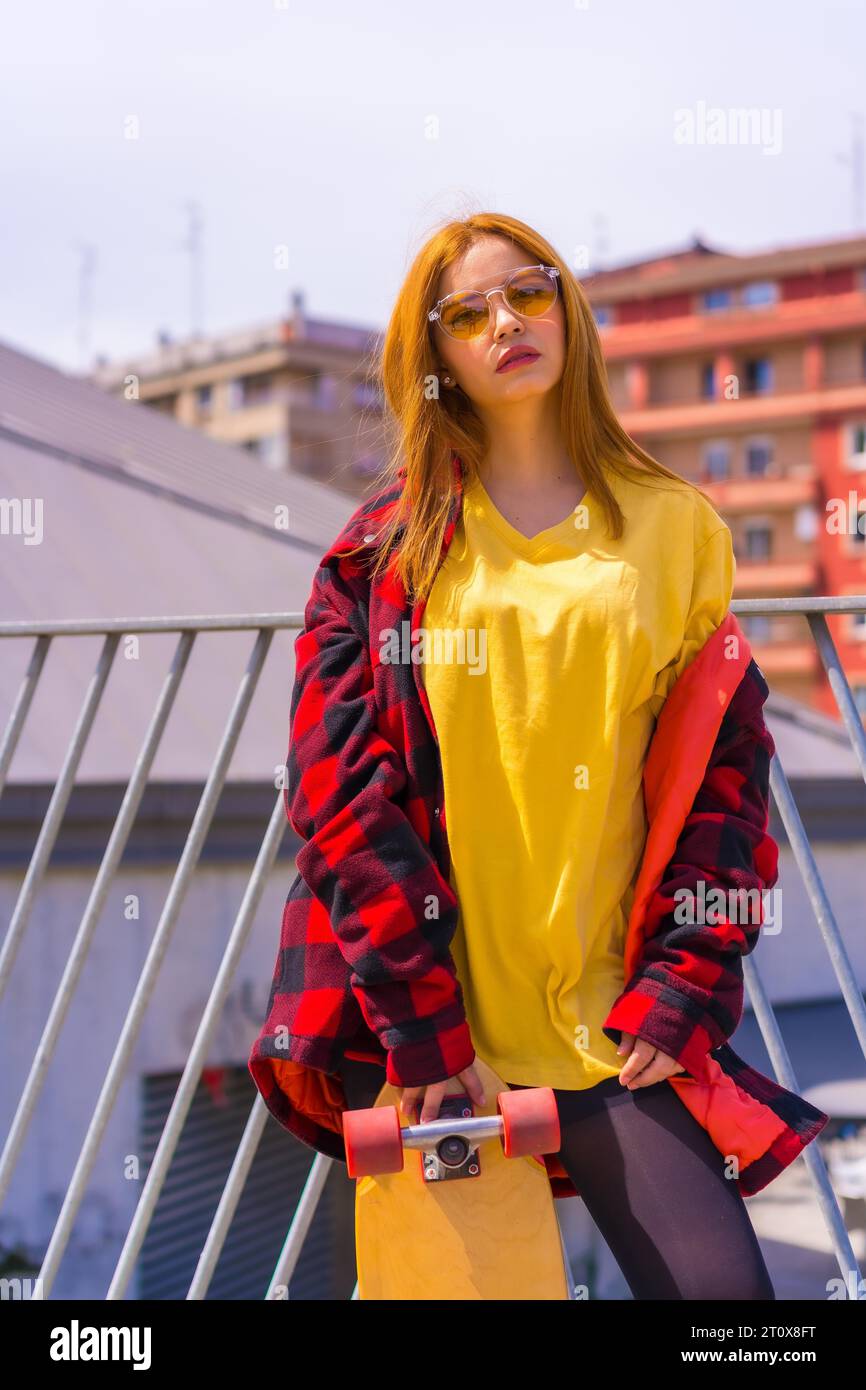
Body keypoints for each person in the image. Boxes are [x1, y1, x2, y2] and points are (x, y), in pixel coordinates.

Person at [248, 211, 829, 1301]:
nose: (503, 321)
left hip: (614, 1025)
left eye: (526, 291)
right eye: (464, 312)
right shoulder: (379, 556)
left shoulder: (676, 527)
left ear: (565, 307)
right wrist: (424, 1031)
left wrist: (681, 985)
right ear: (435, 361)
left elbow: (724, 788)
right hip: (438, 1042)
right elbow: (339, 801)